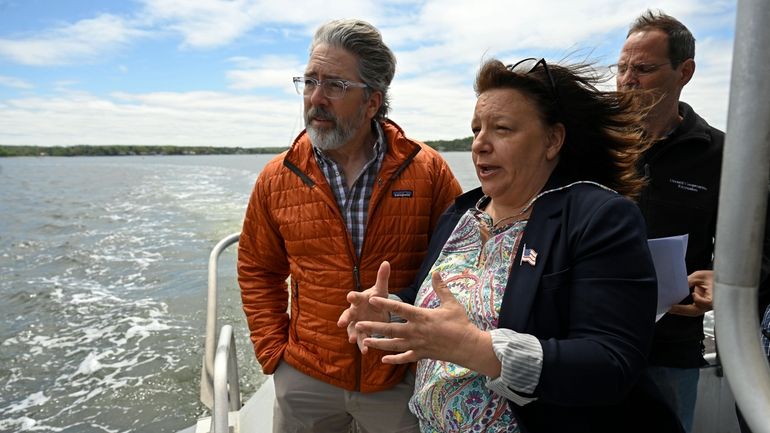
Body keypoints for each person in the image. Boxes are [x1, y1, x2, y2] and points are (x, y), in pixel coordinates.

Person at [340, 57, 684, 433]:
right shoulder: (459, 216)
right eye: (476, 130)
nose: (480, 145)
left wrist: (476, 349)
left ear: (553, 140)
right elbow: (443, 310)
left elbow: (611, 363)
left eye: (501, 129)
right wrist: (390, 314)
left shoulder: (599, 217)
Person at [237, 19, 462, 433]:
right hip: (306, 377)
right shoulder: (277, 177)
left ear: (373, 101)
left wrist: (425, 349)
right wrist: (275, 355)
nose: (316, 98)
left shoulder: (427, 171)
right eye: (309, 82)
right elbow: (258, 269)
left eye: (335, 85)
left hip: (398, 375)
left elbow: (460, 265)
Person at [613, 10, 723, 432]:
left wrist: (724, 283)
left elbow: (759, 249)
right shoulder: (596, 146)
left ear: (685, 72)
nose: (627, 80)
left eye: (642, 69)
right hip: (593, 335)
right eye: (621, 68)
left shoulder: (720, 156)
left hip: (672, 344)